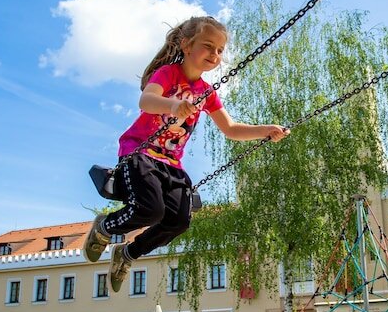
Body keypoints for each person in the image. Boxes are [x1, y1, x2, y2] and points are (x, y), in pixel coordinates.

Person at [83, 16, 289, 291]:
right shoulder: (169, 73)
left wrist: (266, 130)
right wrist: (173, 105)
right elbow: (146, 100)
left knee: (179, 221)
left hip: (171, 163)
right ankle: (106, 227)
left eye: (219, 50)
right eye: (208, 46)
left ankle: (128, 254)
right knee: (150, 209)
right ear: (186, 45)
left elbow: (230, 128)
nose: (215, 55)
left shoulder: (207, 92)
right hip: (140, 153)